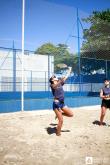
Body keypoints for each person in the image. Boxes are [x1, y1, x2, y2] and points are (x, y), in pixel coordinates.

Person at [49, 67, 73, 136]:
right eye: (54, 77)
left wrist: (69, 70)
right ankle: (58, 133)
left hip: (62, 103)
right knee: (61, 121)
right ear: (52, 80)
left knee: (71, 114)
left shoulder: (60, 83)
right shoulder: (52, 85)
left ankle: (60, 114)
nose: (56, 77)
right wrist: (60, 80)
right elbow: (54, 87)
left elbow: (66, 77)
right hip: (56, 105)